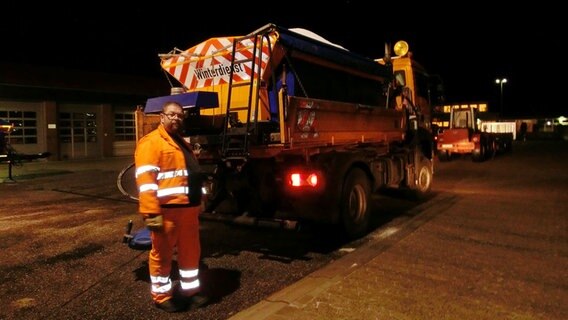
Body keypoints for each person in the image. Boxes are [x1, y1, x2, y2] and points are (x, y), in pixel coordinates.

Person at [134, 101, 209, 313]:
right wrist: (150, 212)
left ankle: (190, 291)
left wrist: (200, 200)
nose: (176, 118)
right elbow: (146, 180)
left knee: (191, 252)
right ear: (162, 116)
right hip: (166, 212)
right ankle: (161, 295)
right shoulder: (151, 143)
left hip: (188, 209)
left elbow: (193, 175)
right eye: (172, 115)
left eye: (180, 116)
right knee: (162, 255)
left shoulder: (181, 142)